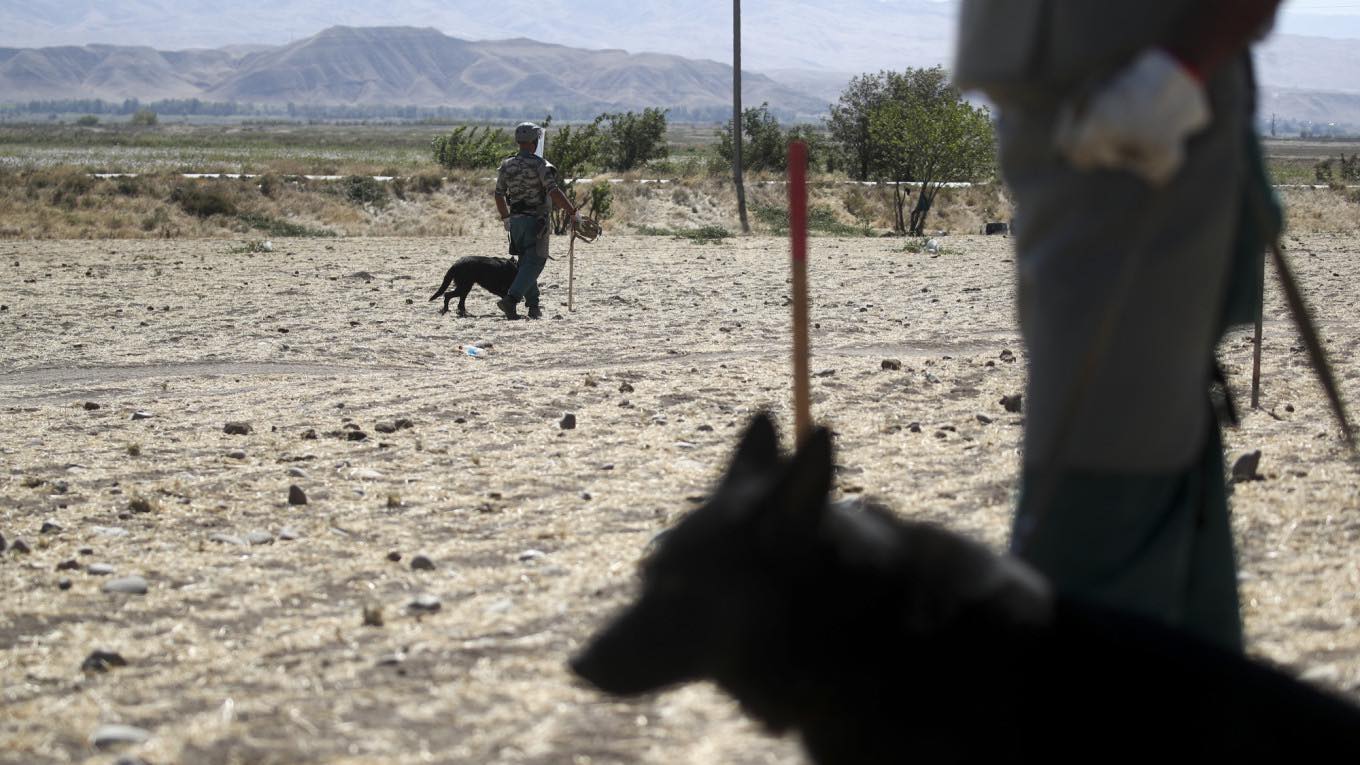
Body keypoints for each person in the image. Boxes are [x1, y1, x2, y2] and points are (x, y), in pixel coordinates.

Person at [953, 0, 1284, 652]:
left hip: (1140, 119)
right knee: (1141, 461)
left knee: (1099, 484)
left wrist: (1178, 70)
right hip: (1086, 115)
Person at [493, 122, 581, 320]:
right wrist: (572, 212)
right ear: (534, 141)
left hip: (515, 222)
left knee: (525, 262)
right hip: (536, 221)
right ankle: (511, 299)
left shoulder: (507, 165)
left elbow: (498, 195)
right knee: (536, 261)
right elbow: (554, 191)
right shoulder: (540, 165)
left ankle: (533, 306)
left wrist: (505, 218)